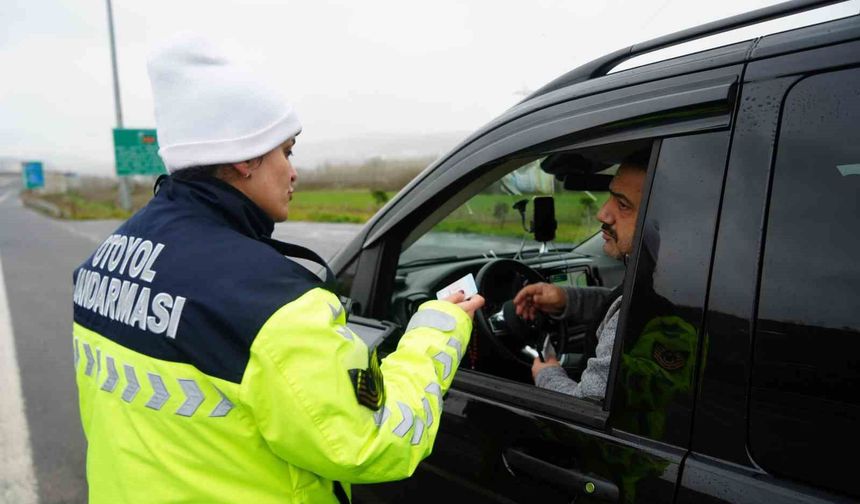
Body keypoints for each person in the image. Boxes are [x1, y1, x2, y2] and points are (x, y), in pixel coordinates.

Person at [71, 33, 483, 504]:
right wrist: (439, 330)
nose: (293, 171)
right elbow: (371, 444)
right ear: (247, 157)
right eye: (286, 151)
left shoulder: (105, 260)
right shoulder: (273, 303)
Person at [513, 158, 647, 400]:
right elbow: (616, 304)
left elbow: (588, 407)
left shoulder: (643, 312)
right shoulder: (663, 281)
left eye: (623, 205)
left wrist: (547, 374)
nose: (602, 213)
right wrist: (566, 299)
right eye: (610, 197)